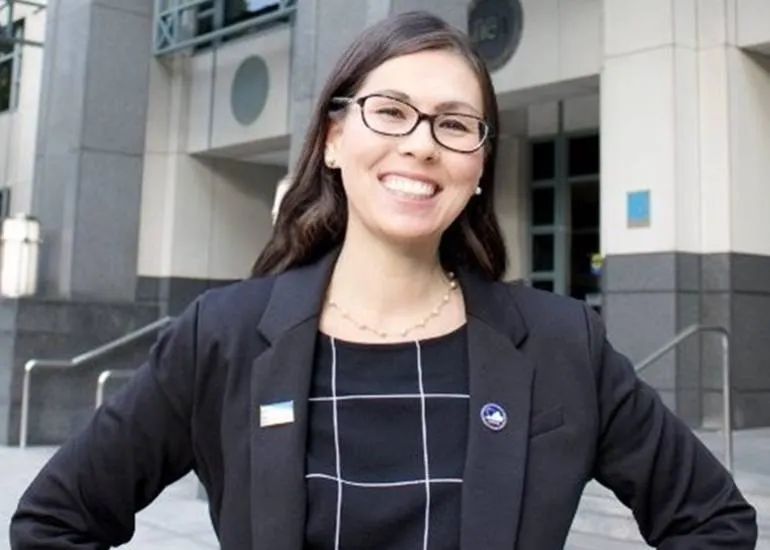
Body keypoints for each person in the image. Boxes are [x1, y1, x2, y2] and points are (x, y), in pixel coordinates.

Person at [9, 10, 757, 550]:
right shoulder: (224, 336)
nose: (422, 145)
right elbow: (54, 521)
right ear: (335, 139)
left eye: (455, 124)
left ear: (478, 167)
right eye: (391, 111)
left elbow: (713, 522)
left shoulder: (563, 345)